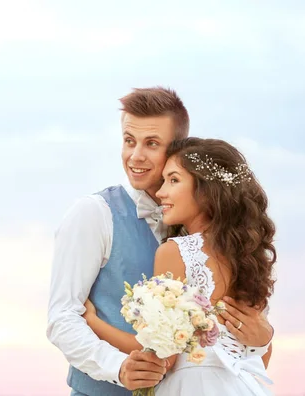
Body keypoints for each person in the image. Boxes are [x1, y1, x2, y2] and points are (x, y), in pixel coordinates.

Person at [46, 87, 274, 396]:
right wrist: (118, 368)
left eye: (151, 144)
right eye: (129, 141)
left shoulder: (210, 240)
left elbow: (238, 350)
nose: (135, 156)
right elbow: (62, 317)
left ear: (177, 150)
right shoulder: (93, 214)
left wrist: (264, 338)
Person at [83, 137, 276, 395]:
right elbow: (256, 360)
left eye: (173, 180)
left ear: (207, 191)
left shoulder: (175, 252)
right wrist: (266, 340)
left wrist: (92, 322)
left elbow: (164, 359)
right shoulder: (249, 260)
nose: (161, 192)